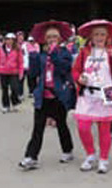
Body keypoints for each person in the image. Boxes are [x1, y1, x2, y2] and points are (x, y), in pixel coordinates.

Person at [72, 20, 112, 174]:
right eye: (96, 34)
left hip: (106, 95)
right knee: (83, 126)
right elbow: (76, 70)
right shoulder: (84, 53)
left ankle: (104, 159)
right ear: (91, 36)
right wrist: (79, 78)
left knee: (104, 129)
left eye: (102, 34)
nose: (99, 37)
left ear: (107, 36)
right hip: (88, 95)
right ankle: (90, 154)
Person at [19, 21, 76, 170]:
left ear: (60, 38)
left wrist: (54, 54)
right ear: (44, 38)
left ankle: (67, 150)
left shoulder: (65, 53)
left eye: (55, 36)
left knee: (61, 125)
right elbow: (33, 74)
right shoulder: (41, 55)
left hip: (58, 96)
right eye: (49, 36)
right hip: (43, 96)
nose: (52, 39)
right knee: (38, 127)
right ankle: (31, 157)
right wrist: (33, 57)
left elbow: (64, 69)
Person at [0, 33, 23, 113]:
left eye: (11, 39)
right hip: (3, 71)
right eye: (7, 39)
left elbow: (20, 62)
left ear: (14, 40)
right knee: (4, 89)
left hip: (14, 72)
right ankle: (5, 105)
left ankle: (15, 103)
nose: (9, 41)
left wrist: (21, 72)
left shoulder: (17, 49)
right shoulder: (1, 48)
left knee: (14, 88)